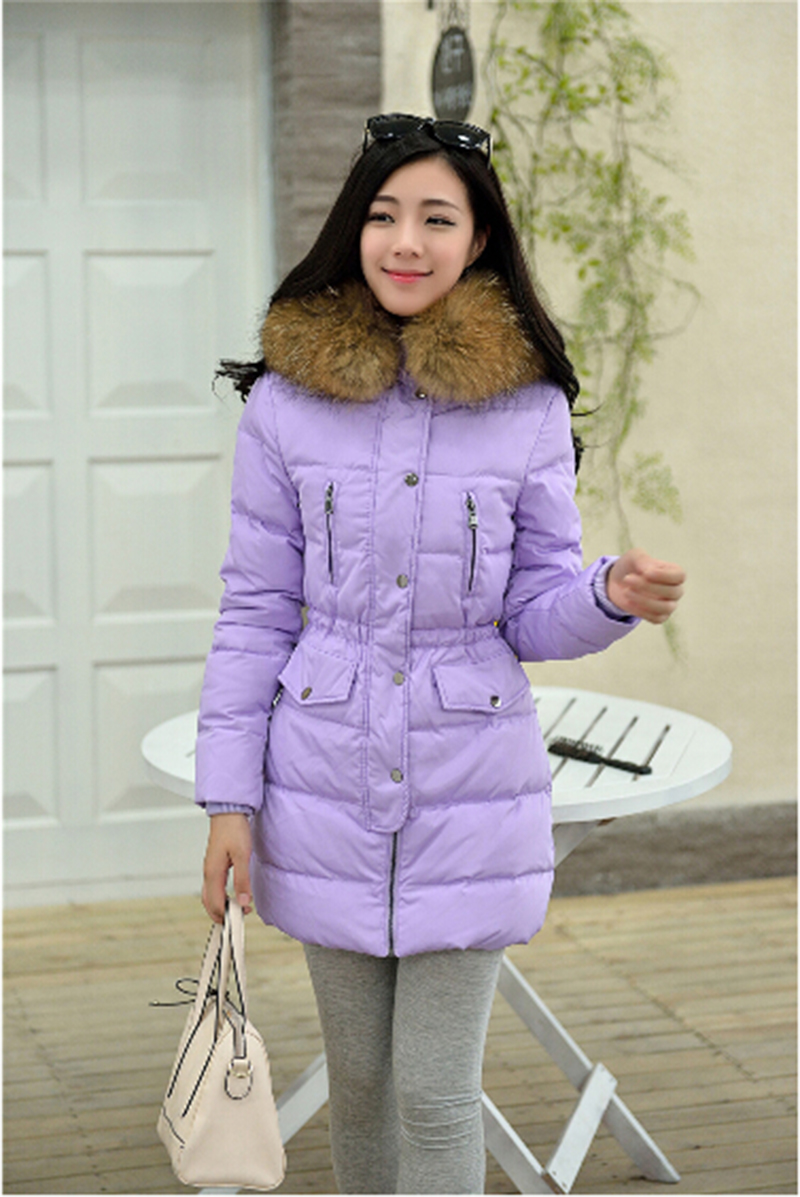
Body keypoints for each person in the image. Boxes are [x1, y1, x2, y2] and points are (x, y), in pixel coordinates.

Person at [196, 113, 685, 1195]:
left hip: (469, 792)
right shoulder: (284, 405)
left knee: (432, 1088)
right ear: (353, 230)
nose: (405, 242)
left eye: (436, 219)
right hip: (321, 784)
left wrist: (605, 596)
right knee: (361, 1084)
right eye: (383, 216)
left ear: (478, 240)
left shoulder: (526, 407)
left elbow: (533, 614)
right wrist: (228, 801)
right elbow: (255, 611)